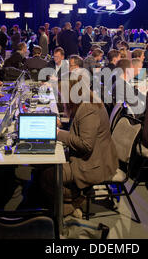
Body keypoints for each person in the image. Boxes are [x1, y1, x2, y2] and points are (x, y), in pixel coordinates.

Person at [41, 79, 118, 216]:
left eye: (62, 95)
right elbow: (79, 130)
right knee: (45, 165)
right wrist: (62, 126)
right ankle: (72, 197)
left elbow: (85, 145)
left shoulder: (89, 110)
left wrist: (58, 133)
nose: (61, 98)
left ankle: (74, 200)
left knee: (48, 176)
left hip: (94, 163)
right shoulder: (84, 104)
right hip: (91, 157)